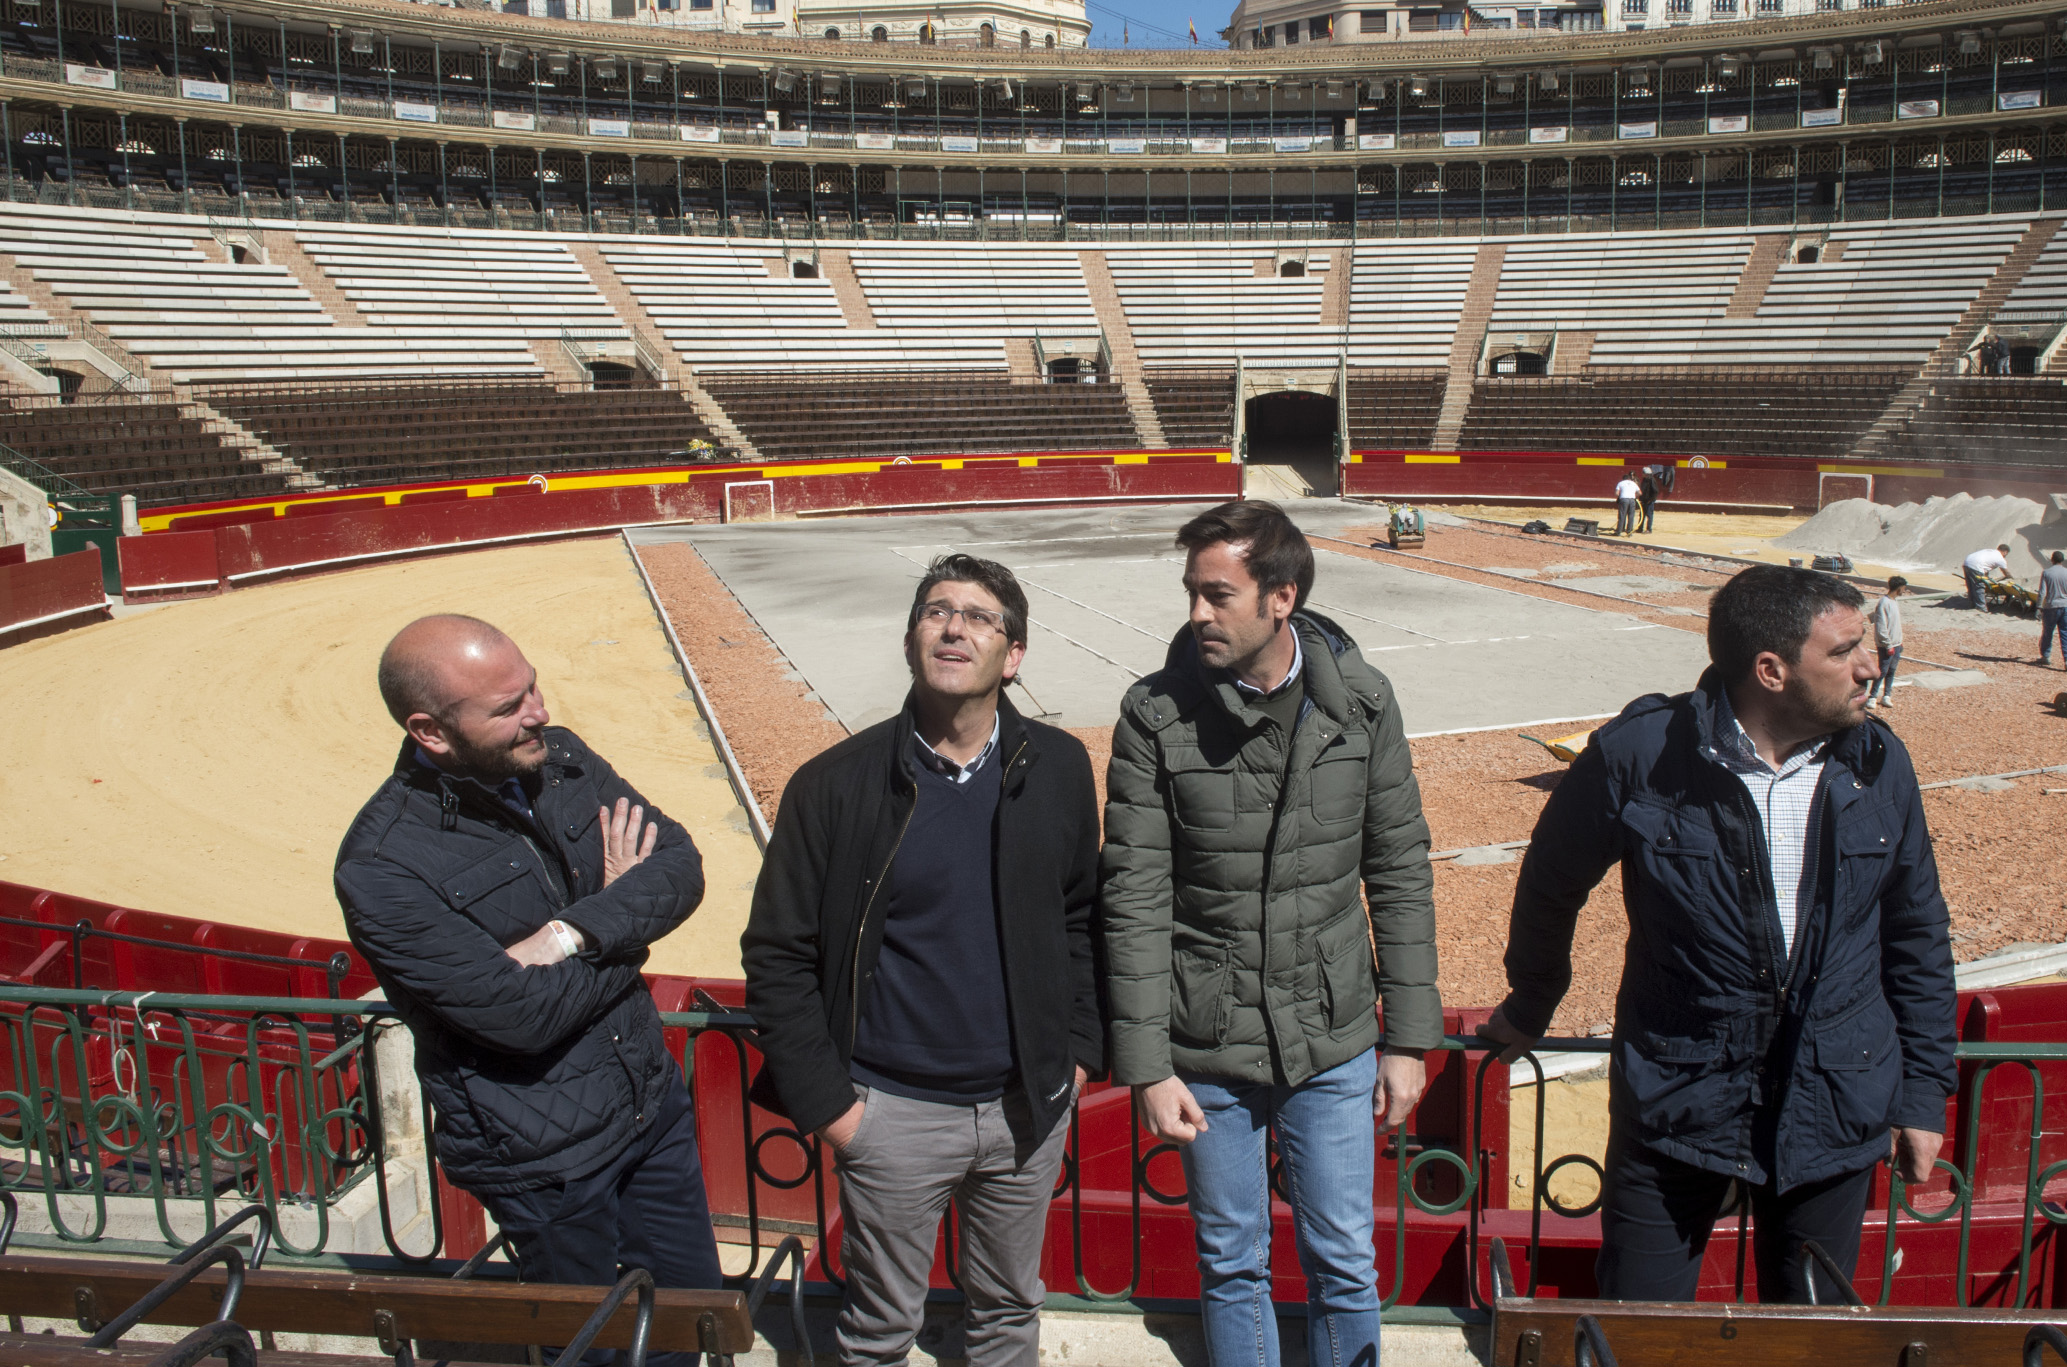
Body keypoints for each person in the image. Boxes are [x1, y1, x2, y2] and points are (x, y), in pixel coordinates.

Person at [1479, 565, 1956, 1302]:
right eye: (1845, 650)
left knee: (1809, 1338)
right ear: (1770, 670)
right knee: (1636, 1330)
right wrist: (1534, 999)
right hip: (1677, 1098)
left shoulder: (1878, 764)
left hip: (1834, 1105)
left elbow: (1917, 932)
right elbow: (1550, 883)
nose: (1873, 664)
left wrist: (1923, 1095)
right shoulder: (1640, 755)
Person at [1100, 500, 1441, 1367]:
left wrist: (1408, 1038)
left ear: (1281, 597)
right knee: (1231, 1262)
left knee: (1344, 1261)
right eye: (1191, 592)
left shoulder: (1363, 703)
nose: (1196, 614)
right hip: (1207, 1041)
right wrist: (1145, 1063)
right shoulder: (1154, 714)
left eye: (1218, 594)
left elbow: (1398, 869)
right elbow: (1135, 895)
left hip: (1331, 1036)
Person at [740, 555, 1102, 1367]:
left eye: (979, 617)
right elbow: (778, 953)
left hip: (1025, 1110)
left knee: (1010, 1310)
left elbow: (1083, 919)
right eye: (937, 611)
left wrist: (1076, 1058)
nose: (954, 626)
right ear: (910, 641)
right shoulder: (831, 785)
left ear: (1013, 655)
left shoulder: (1061, 768)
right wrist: (839, 1113)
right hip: (890, 1111)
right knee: (878, 1331)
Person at [336, 616, 720, 1366]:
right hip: (545, 1160)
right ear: (431, 730)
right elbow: (520, 1016)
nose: (539, 710)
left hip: (650, 1107)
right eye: (509, 705)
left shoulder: (564, 758)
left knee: (688, 1328)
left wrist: (571, 934)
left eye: (533, 685)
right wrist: (621, 914)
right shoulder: (380, 868)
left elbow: (680, 866)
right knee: (597, 1354)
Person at [2037, 549, 2067, 669]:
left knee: (2047, 632)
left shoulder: (2046, 573)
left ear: (2052, 560)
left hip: (2051, 607)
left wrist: (2038, 607)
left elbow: (2042, 593)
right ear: (2063, 560)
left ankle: (2045, 656)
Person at [1871, 574, 1907, 708]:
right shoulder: (1884, 603)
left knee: (1892, 671)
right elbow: (1881, 625)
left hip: (1896, 644)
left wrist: (1899, 641)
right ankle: (1872, 696)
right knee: (1882, 671)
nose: (1904, 591)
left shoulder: (1894, 602)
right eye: (1903, 588)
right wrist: (1887, 644)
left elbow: (1895, 624)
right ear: (1899, 588)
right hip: (1887, 645)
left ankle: (1887, 695)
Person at [1961, 543, 2010, 612]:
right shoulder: (2000, 559)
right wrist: (2010, 578)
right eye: (2006, 554)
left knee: (1971, 586)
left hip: (1967, 563)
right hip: (1976, 566)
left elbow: (1985, 566)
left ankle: (1972, 604)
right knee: (1979, 586)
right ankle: (1981, 607)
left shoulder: (1990, 552)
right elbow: (2006, 572)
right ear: (2005, 552)